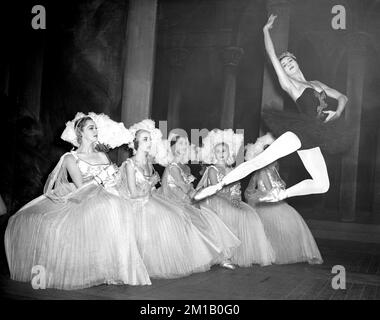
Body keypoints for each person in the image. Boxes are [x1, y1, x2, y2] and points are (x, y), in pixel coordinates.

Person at [4, 114, 151, 290]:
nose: (95, 131)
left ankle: (120, 269)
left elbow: (113, 181)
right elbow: (81, 187)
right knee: (111, 206)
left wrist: (118, 180)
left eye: (96, 127)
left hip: (106, 194)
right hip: (83, 196)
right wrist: (102, 177)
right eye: (91, 128)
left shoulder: (103, 156)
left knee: (122, 205)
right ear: (80, 132)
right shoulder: (70, 158)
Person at [117, 120, 219, 279]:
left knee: (176, 215)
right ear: (135, 143)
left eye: (150, 139)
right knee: (171, 216)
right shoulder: (130, 164)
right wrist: (151, 183)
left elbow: (152, 186)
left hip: (150, 199)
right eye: (145, 139)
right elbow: (133, 193)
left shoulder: (149, 163)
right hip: (137, 203)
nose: (149, 142)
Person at [157, 133, 241, 270]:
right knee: (202, 220)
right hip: (174, 200)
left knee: (210, 218)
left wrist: (199, 193)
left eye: (186, 143)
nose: (184, 146)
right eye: (180, 143)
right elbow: (184, 187)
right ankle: (211, 257)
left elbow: (189, 187)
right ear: (172, 147)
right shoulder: (172, 167)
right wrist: (196, 195)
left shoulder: (184, 167)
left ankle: (222, 256)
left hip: (186, 199)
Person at [197, 129, 275, 267]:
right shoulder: (212, 170)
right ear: (213, 153)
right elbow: (216, 189)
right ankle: (224, 256)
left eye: (224, 151)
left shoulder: (232, 170)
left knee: (250, 214)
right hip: (216, 200)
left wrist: (235, 197)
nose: (221, 154)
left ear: (229, 153)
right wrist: (230, 197)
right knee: (231, 214)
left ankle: (245, 253)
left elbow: (236, 187)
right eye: (218, 151)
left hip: (229, 200)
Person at [244, 135, 323, 264]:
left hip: (276, 200)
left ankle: (290, 251)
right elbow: (268, 190)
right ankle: (274, 253)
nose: (273, 159)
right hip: (266, 202)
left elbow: (279, 187)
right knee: (282, 222)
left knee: (293, 220)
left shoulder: (274, 170)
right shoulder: (263, 171)